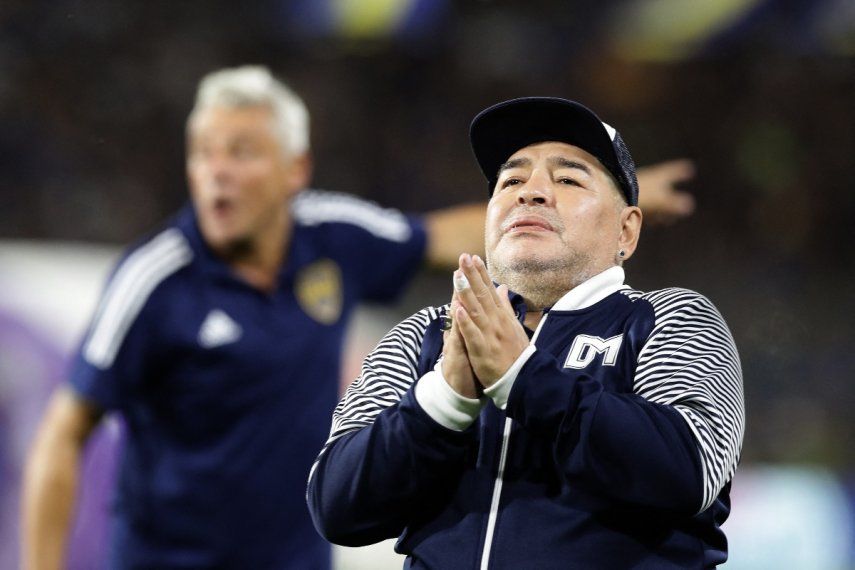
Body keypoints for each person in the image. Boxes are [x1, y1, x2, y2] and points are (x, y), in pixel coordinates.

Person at [20, 63, 698, 570]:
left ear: (294, 169)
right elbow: (62, 433)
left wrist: (567, 208)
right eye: (204, 153)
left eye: (241, 152)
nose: (216, 173)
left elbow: (438, 235)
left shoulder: (334, 236)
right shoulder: (154, 278)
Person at [307, 97, 745, 568]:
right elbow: (336, 505)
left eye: (569, 178)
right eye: (512, 180)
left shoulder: (671, 317)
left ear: (627, 232)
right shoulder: (425, 335)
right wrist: (443, 403)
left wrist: (526, 380)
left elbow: (691, 470)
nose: (530, 192)